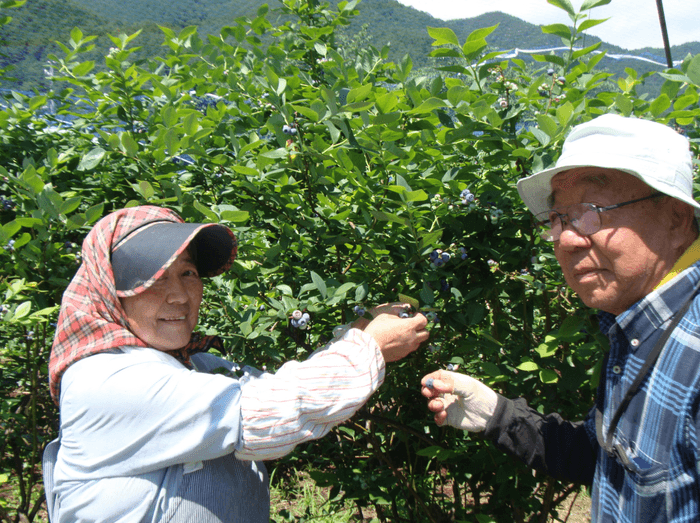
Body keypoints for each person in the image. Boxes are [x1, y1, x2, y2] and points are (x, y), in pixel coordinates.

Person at [43, 205, 429, 523]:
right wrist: (372, 345)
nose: (178, 295)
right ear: (109, 291)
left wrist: (357, 331)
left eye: (188, 273)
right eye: (153, 278)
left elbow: (282, 388)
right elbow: (274, 411)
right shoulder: (106, 379)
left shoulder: (197, 365)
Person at [421, 114, 700, 522]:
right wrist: (496, 414)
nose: (567, 239)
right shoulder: (635, 327)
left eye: (592, 211)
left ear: (675, 218)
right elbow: (611, 463)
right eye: (559, 218)